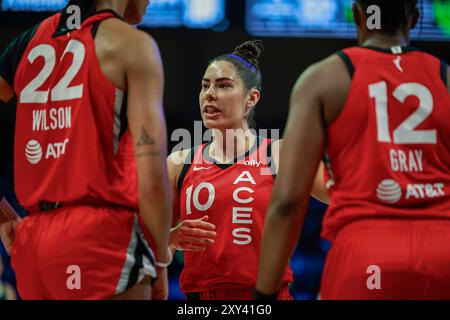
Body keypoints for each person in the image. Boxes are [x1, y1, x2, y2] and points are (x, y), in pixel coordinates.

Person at [256, 0, 450, 300]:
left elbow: (288, 203)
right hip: (442, 254)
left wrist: (264, 296)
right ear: (415, 19)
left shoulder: (323, 78)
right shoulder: (446, 78)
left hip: (365, 253)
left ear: (358, 16)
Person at [0, 0, 172, 300]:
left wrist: (3, 215)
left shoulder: (27, 41)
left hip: (34, 245)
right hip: (101, 241)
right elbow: (154, 183)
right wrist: (160, 260)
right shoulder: (133, 45)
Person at [167, 40, 328, 300]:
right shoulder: (178, 163)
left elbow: (345, 199)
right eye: (205, 85)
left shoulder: (279, 153)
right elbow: (154, 253)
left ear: (251, 98)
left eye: (223, 85)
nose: (209, 93)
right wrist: (170, 240)